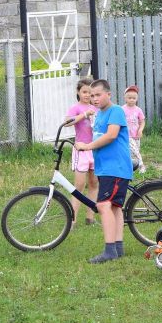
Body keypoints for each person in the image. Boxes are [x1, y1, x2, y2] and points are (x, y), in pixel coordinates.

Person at [74, 79, 133, 264]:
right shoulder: (99, 114)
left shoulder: (116, 111)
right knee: (115, 206)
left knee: (103, 205)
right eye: (91, 96)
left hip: (115, 167)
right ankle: (118, 247)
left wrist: (88, 146)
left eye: (98, 95)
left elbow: (111, 135)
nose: (94, 99)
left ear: (108, 94)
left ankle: (109, 251)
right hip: (105, 167)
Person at [66, 79, 98, 226]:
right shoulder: (76, 108)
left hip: (95, 149)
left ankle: (90, 217)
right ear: (78, 92)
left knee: (94, 183)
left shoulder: (96, 108)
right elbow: (68, 121)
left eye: (90, 93)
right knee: (79, 185)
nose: (87, 95)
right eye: (84, 92)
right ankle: (72, 220)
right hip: (81, 150)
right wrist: (84, 115)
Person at [122, 85, 146, 173]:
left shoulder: (138, 110)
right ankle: (141, 165)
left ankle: (130, 167)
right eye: (129, 98)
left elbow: (142, 121)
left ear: (137, 98)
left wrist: (140, 130)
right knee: (135, 151)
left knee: (134, 152)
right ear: (125, 98)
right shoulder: (122, 109)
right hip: (126, 135)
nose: (132, 99)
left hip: (136, 135)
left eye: (134, 98)